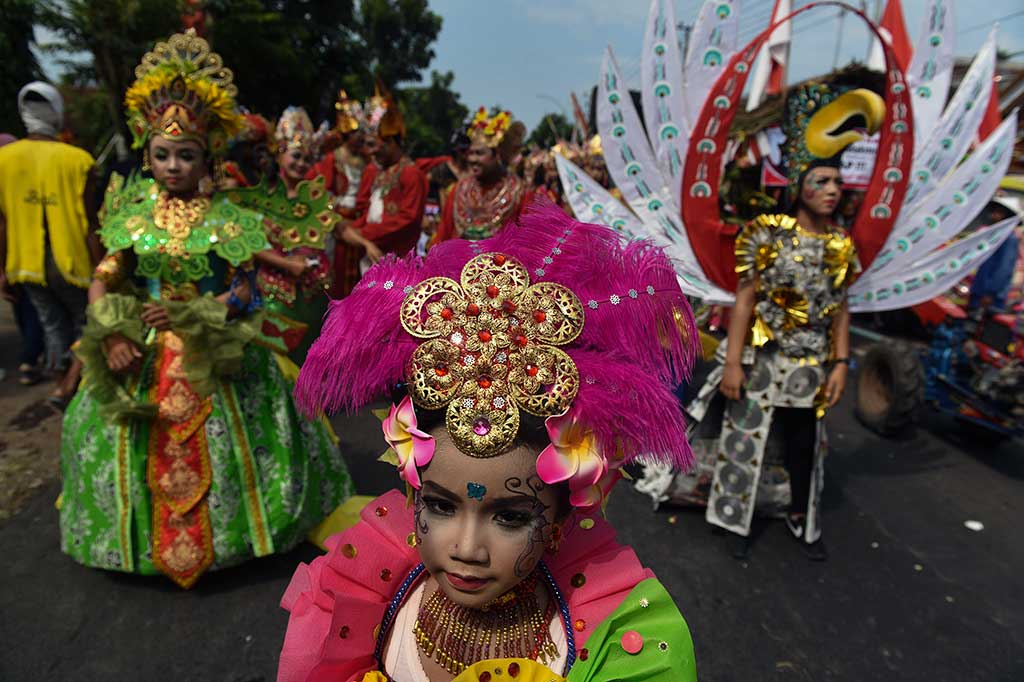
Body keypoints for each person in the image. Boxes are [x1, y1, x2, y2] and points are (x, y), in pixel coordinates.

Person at [278, 202, 701, 681]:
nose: (467, 548)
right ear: (413, 486)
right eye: (439, 506)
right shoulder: (365, 606)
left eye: (510, 516)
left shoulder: (608, 649)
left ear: (564, 513)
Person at [59, 30, 352, 589]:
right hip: (142, 350)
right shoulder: (133, 217)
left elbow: (245, 292)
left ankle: (245, 536)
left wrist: (199, 312)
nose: (173, 166)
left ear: (206, 158)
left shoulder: (228, 218)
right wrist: (109, 335)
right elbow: (103, 279)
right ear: (147, 157)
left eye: (185, 155)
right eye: (162, 155)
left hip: (219, 350)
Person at [671, 84, 872, 561]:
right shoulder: (767, 234)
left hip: (809, 364)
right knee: (746, 437)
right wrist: (734, 362)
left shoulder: (841, 246)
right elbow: (745, 301)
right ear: (798, 183)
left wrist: (841, 362)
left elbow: (840, 306)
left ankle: (801, 514)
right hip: (762, 358)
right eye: (820, 182)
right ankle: (732, 517)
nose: (830, 191)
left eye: (836, 184)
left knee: (804, 442)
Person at [0, 82, 102, 402]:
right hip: (73, 260)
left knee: (53, 328)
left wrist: (2, 270)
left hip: (27, 262)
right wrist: (103, 267)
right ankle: (77, 388)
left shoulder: (4, 159)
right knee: (89, 324)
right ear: (57, 113)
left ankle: (64, 388)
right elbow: (91, 223)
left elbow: (2, 222)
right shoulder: (79, 160)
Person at [232, 106, 336, 365]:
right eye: (296, 156)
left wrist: (367, 244)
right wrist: (287, 264)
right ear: (279, 154)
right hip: (273, 296)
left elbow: (341, 227)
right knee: (277, 365)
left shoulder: (316, 199)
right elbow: (247, 244)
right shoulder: (259, 198)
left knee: (308, 364)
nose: (301, 164)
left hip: (313, 296)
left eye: (306, 160)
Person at [338, 85, 427, 274]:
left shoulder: (411, 174)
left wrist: (364, 233)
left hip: (398, 262)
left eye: (373, 144)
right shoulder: (376, 171)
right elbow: (365, 210)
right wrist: (349, 228)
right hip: (371, 256)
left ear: (390, 142)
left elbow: (408, 219)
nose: (369, 151)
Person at [434, 108, 530, 242]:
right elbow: (444, 235)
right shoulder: (459, 189)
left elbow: (528, 242)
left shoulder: (520, 193)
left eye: (479, 153)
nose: (472, 159)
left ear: (496, 154)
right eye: (471, 153)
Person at [310, 90, 371, 298]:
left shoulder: (365, 161)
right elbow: (321, 191)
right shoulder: (332, 159)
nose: (360, 139)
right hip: (337, 223)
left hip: (359, 223)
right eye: (357, 135)